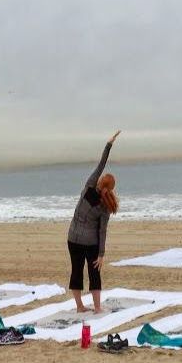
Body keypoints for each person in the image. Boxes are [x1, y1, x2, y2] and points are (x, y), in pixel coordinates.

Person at [68, 130, 121, 313]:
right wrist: (101, 254)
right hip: (90, 242)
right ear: (112, 188)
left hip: (73, 237)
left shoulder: (90, 184)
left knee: (76, 271)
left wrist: (109, 144)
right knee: (94, 273)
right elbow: (102, 231)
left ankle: (80, 307)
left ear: (99, 182)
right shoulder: (106, 205)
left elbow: (101, 163)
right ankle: (97, 307)